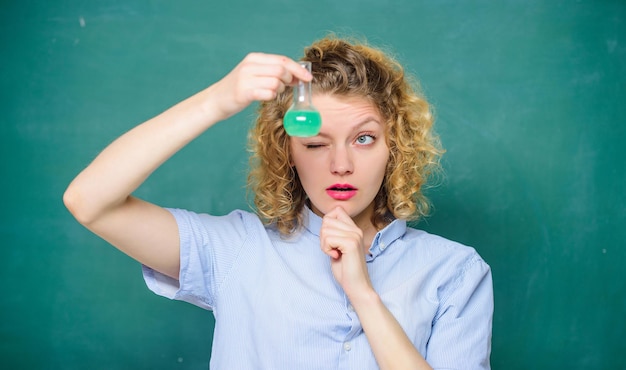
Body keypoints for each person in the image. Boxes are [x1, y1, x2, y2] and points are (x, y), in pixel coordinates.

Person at [64, 35, 493, 369]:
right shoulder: (237, 251)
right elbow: (90, 201)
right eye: (315, 143)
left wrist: (363, 294)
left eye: (364, 139)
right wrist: (218, 100)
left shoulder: (455, 272)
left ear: (394, 147)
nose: (340, 164)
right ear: (287, 151)